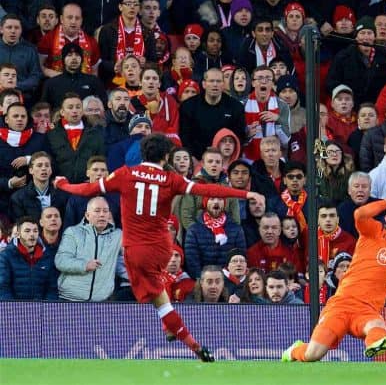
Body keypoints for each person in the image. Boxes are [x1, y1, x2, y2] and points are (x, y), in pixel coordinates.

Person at [54, 133, 265, 362]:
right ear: (165, 157)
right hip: (163, 249)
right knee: (159, 296)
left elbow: (87, 190)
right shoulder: (171, 179)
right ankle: (178, 334)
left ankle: (186, 338)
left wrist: (62, 184)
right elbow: (209, 190)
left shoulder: (125, 174)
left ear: (142, 153)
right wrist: (245, 194)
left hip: (136, 250)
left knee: (155, 300)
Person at [281, 187, 386, 362]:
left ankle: (375, 344)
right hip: (341, 305)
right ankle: (294, 351)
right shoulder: (373, 232)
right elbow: (360, 214)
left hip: (366, 311)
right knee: (313, 355)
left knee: (377, 324)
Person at [55, 197, 122, 302]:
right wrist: (84, 265)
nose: (102, 214)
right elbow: (61, 261)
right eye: (97, 211)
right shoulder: (73, 232)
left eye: (105, 211)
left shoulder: (118, 235)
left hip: (102, 302)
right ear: (87, 215)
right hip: (70, 300)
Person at [0, 216, 59, 300]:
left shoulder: (47, 256)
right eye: (27, 231)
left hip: (41, 310)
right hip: (14, 309)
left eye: (35, 231)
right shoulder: (5, 256)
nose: (32, 234)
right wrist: (13, 309)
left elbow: (52, 289)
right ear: (18, 234)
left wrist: (46, 309)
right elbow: (3, 288)